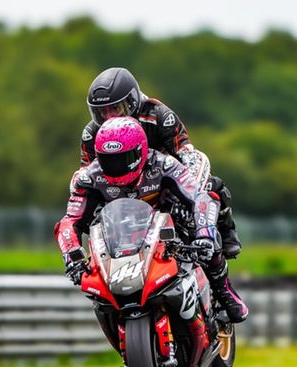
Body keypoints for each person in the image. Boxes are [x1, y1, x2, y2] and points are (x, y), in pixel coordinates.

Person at [55, 116, 248, 323]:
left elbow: (200, 198)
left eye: (123, 159)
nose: (115, 167)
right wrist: (71, 255)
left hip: (169, 226)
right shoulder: (90, 178)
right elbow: (70, 220)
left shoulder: (163, 165)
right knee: (97, 287)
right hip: (122, 237)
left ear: (140, 151)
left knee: (203, 235)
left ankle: (223, 289)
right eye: (107, 160)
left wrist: (205, 233)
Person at [79, 66, 242, 259]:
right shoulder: (92, 133)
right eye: (101, 112)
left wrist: (186, 194)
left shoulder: (160, 116)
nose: (108, 117)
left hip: (164, 183)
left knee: (212, 186)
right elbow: (86, 175)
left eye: (115, 109)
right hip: (119, 194)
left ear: (132, 101)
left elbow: (188, 155)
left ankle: (225, 235)